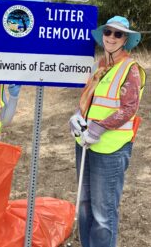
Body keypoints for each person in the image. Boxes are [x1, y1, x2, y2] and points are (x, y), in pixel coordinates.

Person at [69, 16, 146, 247]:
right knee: (84, 204)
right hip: (85, 143)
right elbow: (89, 100)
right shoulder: (100, 66)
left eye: (118, 34)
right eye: (108, 32)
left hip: (111, 149)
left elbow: (129, 108)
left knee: (103, 213)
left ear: (126, 40)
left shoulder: (131, 69)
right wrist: (77, 116)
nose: (111, 37)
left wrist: (99, 128)